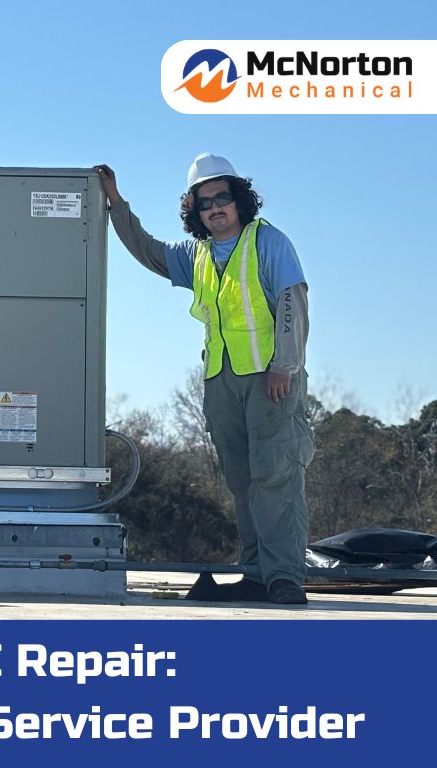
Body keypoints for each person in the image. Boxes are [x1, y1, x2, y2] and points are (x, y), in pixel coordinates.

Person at [96, 154, 314, 605]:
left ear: (240, 201)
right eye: (204, 203)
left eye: (222, 199)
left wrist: (284, 367)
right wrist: (116, 203)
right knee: (243, 481)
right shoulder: (195, 255)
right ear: (193, 212)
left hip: (270, 378)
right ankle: (255, 573)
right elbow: (147, 249)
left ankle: (284, 579)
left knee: (275, 477)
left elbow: (292, 305)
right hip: (221, 382)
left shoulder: (267, 242)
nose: (215, 208)